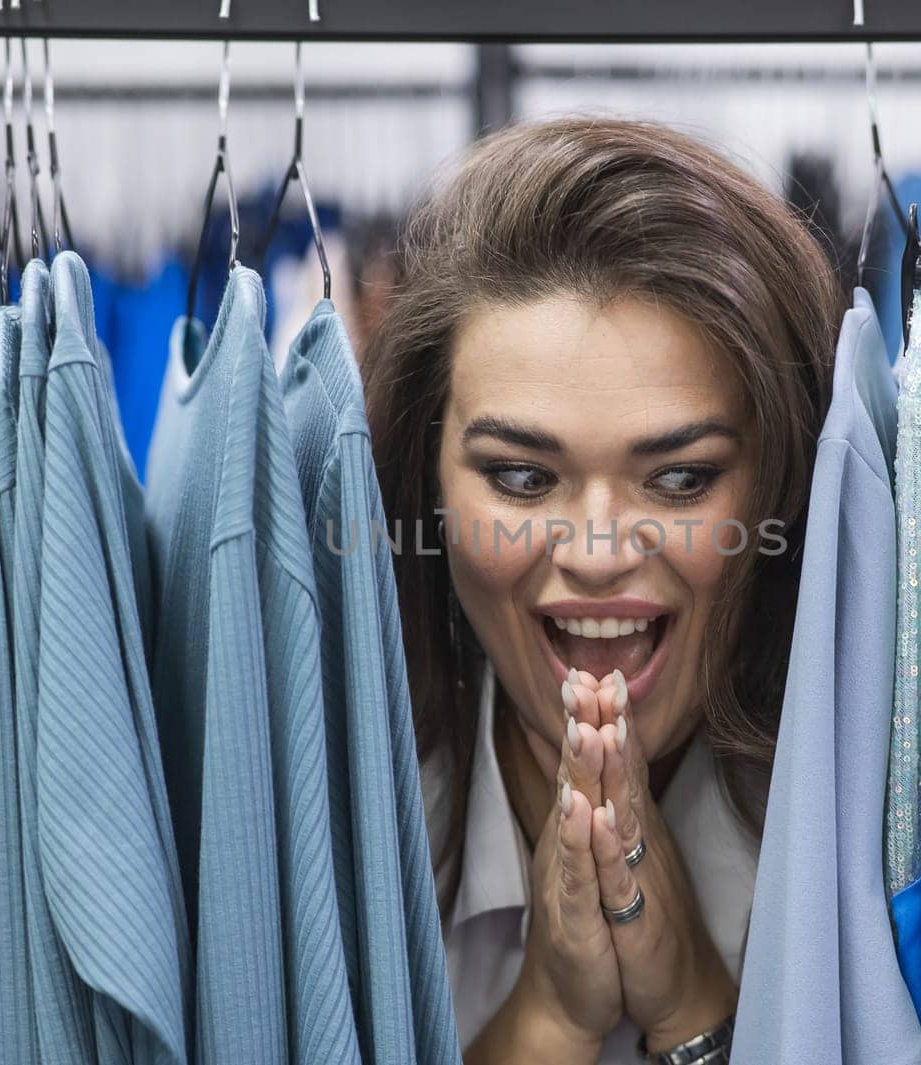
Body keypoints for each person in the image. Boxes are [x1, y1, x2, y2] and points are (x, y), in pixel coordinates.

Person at [365, 116, 843, 1064]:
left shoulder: (880, 828)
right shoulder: (350, 829)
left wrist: (697, 1007)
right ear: (428, 484)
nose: (595, 550)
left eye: (678, 478)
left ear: (783, 484)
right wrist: (548, 1014)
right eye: (520, 476)